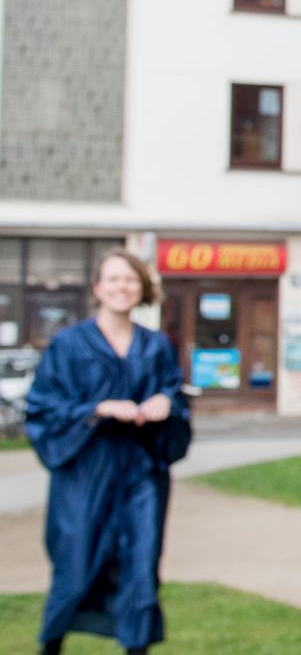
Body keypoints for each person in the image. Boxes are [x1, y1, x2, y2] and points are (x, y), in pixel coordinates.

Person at [25, 251, 190, 655]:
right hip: (85, 471)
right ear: (97, 288)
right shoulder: (69, 344)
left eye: (131, 280)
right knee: (76, 565)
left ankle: (136, 649)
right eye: (114, 280)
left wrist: (166, 406)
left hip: (141, 471)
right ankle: (51, 645)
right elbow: (43, 408)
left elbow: (176, 398)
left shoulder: (157, 347)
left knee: (141, 565)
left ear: (142, 289)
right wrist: (98, 409)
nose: (122, 287)